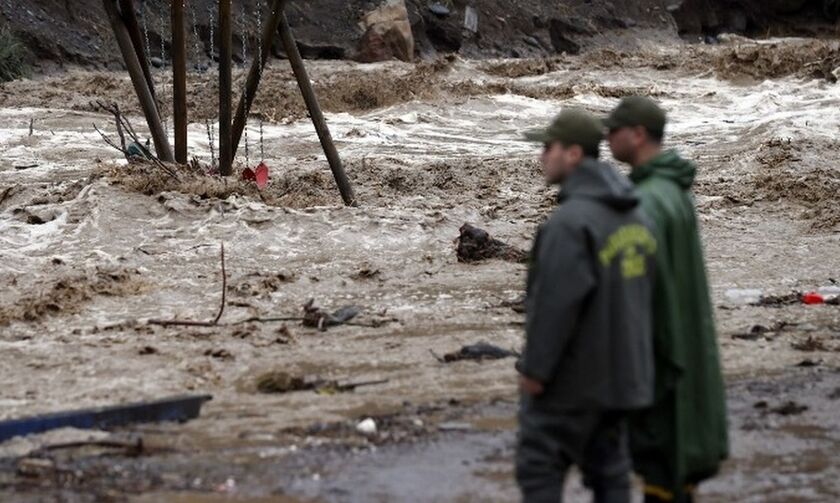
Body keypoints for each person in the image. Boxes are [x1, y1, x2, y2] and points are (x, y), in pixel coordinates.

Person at [516, 108, 657, 503]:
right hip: (624, 380)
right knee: (610, 474)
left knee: (539, 468)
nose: (541, 156)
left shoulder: (569, 224)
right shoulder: (636, 215)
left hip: (572, 384)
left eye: (548, 147)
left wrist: (535, 372)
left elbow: (555, 305)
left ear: (574, 154)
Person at [605, 96, 729, 503]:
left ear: (637, 134)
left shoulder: (646, 201)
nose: (607, 138)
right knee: (678, 474)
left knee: (661, 465)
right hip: (688, 343)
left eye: (614, 130)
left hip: (660, 352)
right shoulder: (675, 191)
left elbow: (637, 292)